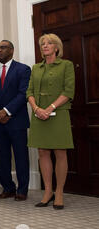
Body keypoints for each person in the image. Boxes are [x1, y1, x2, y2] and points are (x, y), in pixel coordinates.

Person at [27, 34, 75, 210]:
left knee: (60, 152)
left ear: (57, 47)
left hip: (59, 113)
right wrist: (37, 109)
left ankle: (59, 192)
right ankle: (48, 191)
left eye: (49, 43)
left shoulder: (66, 65)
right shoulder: (36, 68)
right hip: (39, 114)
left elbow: (69, 91)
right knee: (43, 152)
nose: (45, 46)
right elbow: (29, 91)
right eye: (42, 44)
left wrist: (50, 108)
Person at [0, 40, 31, 201]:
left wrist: (6, 111)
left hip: (16, 120)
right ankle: (8, 188)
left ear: (11, 51)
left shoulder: (23, 70)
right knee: (1, 157)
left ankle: (22, 190)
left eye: (3, 48)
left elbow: (23, 94)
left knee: (20, 156)